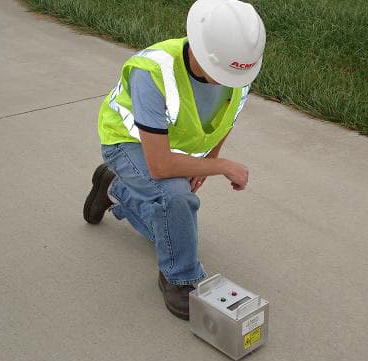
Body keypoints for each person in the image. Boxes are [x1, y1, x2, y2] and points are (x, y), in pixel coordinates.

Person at [83, 0, 266, 320]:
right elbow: (161, 166)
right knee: (175, 196)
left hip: (168, 149)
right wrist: (222, 167)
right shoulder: (153, 71)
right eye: (219, 73)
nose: (226, 83)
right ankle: (180, 279)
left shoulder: (236, 71)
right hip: (126, 143)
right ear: (198, 46)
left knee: (174, 226)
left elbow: (226, 119)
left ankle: (115, 190)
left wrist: (210, 158)